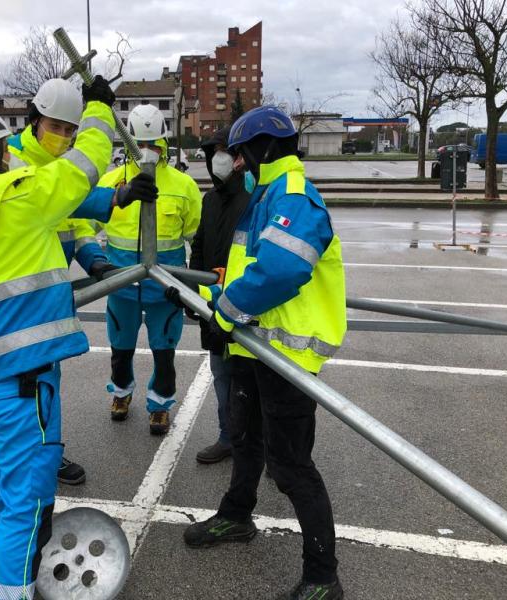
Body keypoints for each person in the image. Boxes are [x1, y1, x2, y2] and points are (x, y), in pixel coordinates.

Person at [0, 77, 156, 600]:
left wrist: (104, 218)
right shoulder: (17, 200)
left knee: (0, 485)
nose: (9, 158)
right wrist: (98, 110)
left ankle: (2, 558)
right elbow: (84, 164)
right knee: (28, 503)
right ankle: (10, 589)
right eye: (1, 151)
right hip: (28, 381)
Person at [181, 106, 347, 600]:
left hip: (285, 357)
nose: (235, 163)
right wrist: (209, 299)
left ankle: (322, 577)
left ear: (265, 149)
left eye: (241, 154)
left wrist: (225, 313)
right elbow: (245, 271)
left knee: (291, 465)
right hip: (254, 349)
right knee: (245, 439)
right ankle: (237, 515)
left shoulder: (293, 195)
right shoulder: (265, 196)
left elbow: (280, 271)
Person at [0, 79, 140, 488]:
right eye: (55, 126)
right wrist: (113, 197)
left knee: (45, 381)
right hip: (4, 295)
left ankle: (47, 452)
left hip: (40, 297)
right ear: (34, 120)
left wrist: (95, 260)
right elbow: (60, 195)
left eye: (70, 130)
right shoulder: (12, 160)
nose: (62, 136)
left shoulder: (54, 167)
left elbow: (72, 221)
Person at [97, 104, 202, 435]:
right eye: (140, 144)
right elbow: (86, 225)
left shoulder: (184, 186)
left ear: (165, 143)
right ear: (128, 143)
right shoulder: (111, 183)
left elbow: (196, 236)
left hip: (165, 289)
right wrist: (96, 261)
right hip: (121, 287)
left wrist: (195, 281)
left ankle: (159, 405)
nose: (146, 151)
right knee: (120, 349)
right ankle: (121, 393)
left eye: (153, 144)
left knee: (164, 353)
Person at [183, 127, 250, 463]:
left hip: (245, 309)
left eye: (224, 150)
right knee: (221, 377)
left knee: (250, 382)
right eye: (213, 152)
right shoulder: (209, 200)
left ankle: (260, 447)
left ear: (239, 158)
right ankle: (228, 438)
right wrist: (193, 296)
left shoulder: (254, 198)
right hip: (213, 308)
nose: (218, 158)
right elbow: (199, 246)